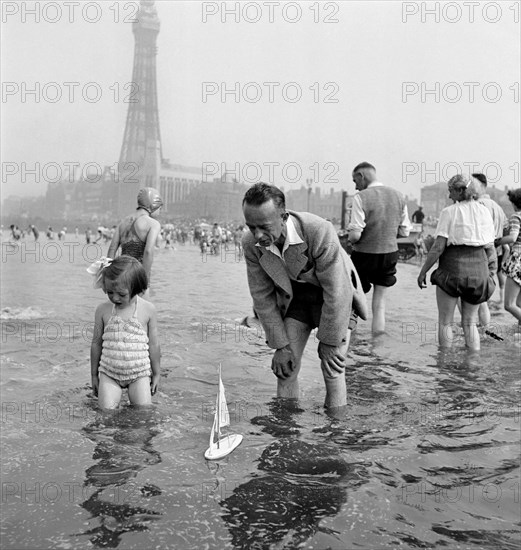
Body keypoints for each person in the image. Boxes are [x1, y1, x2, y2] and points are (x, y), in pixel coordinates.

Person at [242, 182, 367, 410]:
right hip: (296, 299)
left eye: (264, 226)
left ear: (284, 216)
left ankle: (334, 435)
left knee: (332, 369)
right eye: (251, 227)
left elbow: (337, 291)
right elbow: (262, 297)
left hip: (336, 298)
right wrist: (280, 346)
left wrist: (329, 341)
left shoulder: (318, 230)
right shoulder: (250, 244)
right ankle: (287, 435)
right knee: (285, 369)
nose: (258, 235)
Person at [417, 174, 496, 351]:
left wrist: (424, 271)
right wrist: (491, 274)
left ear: (461, 191)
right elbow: (490, 248)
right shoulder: (484, 211)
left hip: (452, 269)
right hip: (479, 270)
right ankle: (472, 366)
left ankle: (443, 367)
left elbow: (438, 247)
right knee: (470, 323)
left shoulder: (449, 212)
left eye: (451, 191)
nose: (449, 195)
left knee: (445, 321)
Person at [347, 162, 412, 334]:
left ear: (362, 176)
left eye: (355, 181)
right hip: (389, 254)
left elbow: (355, 235)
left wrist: (351, 240)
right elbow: (405, 232)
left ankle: (349, 344)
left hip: (364, 255)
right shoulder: (399, 196)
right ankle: (377, 346)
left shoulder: (361, 197)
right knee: (380, 304)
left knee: (352, 301)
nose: (355, 186)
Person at [90, 255, 160, 409]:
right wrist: (94, 375)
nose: (115, 298)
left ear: (137, 289)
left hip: (139, 374)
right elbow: (96, 343)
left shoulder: (148, 310)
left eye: (121, 294)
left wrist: (156, 373)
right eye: (110, 292)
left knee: (143, 413)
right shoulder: (103, 310)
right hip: (110, 373)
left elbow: (154, 344)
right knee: (106, 414)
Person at [107, 187, 163, 282]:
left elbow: (112, 249)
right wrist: (143, 279)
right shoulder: (153, 224)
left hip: (121, 274)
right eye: (160, 208)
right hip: (137, 275)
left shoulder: (123, 222)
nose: (160, 212)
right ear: (153, 205)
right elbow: (148, 251)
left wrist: (109, 275)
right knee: (141, 297)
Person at [474, 173, 508, 311]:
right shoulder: (498, 207)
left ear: (481, 186)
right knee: (487, 285)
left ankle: (475, 324)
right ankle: (483, 322)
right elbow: (506, 229)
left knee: (475, 289)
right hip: (495, 252)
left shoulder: (477, 205)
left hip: (479, 252)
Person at [495, 188, 521, 325]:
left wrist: (496, 241)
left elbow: (512, 237)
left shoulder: (517, 216)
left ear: (515, 203)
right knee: (519, 304)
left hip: (518, 260)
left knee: (509, 305)